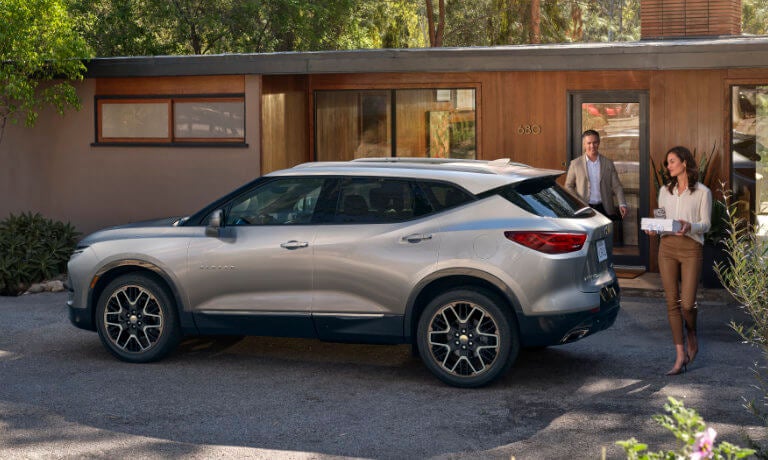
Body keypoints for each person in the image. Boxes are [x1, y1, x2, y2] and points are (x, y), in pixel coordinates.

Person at [645, 146, 712, 376]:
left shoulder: (703, 192)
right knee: (672, 301)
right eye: (666, 163)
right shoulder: (665, 190)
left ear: (684, 162)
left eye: (671, 161)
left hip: (692, 248)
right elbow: (661, 218)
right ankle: (680, 355)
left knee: (687, 304)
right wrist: (654, 228)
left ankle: (691, 331)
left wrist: (690, 226)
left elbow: (707, 224)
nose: (668, 166)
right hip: (667, 248)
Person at [565, 130, 628, 238]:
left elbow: (617, 186)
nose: (592, 146)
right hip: (585, 208)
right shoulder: (576, 164)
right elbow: (568, 186)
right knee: (587, 239)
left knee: (605, 238)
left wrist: (622, 203)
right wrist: (578, 202)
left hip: (604, 208)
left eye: (595, 142)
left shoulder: (608, 163)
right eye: (589, 143)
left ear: (599, 143)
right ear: (584, 144)